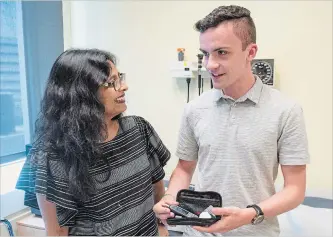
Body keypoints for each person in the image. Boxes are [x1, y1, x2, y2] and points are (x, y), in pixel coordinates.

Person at [153, 5, 310, 236]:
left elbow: (295, 189)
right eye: (205, 54)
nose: (210, 64)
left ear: (251, 52)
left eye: (222, 53)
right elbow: (185, 169)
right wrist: (168, 200)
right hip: (199, 232)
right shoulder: (194, 109)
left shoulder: (286, 111)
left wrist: (250, 213)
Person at [16, 49, 170, 236]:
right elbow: (57, 232)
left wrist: (162, 230)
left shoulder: (139, 129)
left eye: (119, 78)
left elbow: (158, 192)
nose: (124, 86)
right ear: (82, 93)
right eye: (111, 82)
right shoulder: (52, 156)